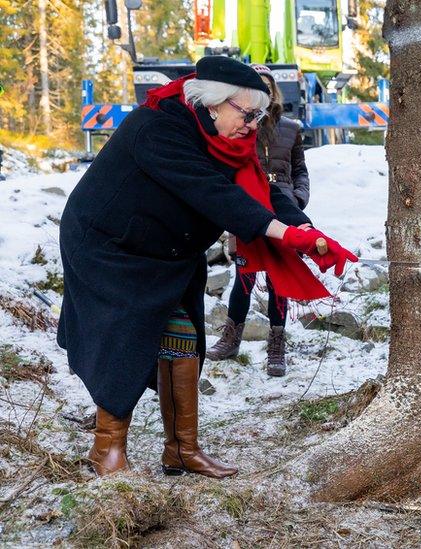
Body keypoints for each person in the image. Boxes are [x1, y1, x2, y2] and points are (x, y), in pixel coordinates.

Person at [57, 56, 357, 479]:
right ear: (216, 103)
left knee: (183, 338)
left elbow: (261, 193)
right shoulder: (160, 126)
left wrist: (307, 231)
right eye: (248, 114)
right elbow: (214, 193)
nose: (254, 125)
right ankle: (106, 448)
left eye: (260, 115)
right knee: (122, 339)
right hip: (111, 245)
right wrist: (285, 236)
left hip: (169, 250)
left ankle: (181, 449)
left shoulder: (226, 140)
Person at [207, 64, 311, 377]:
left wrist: (299, 197)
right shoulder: (239, 125)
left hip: (284, 208)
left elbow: (300, 169)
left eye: (265, 86)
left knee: (279, 279)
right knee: (245, 276)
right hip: (248, 208)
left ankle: (276, 347)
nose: (261, 92)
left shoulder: (290, 128)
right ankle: (231, 338)